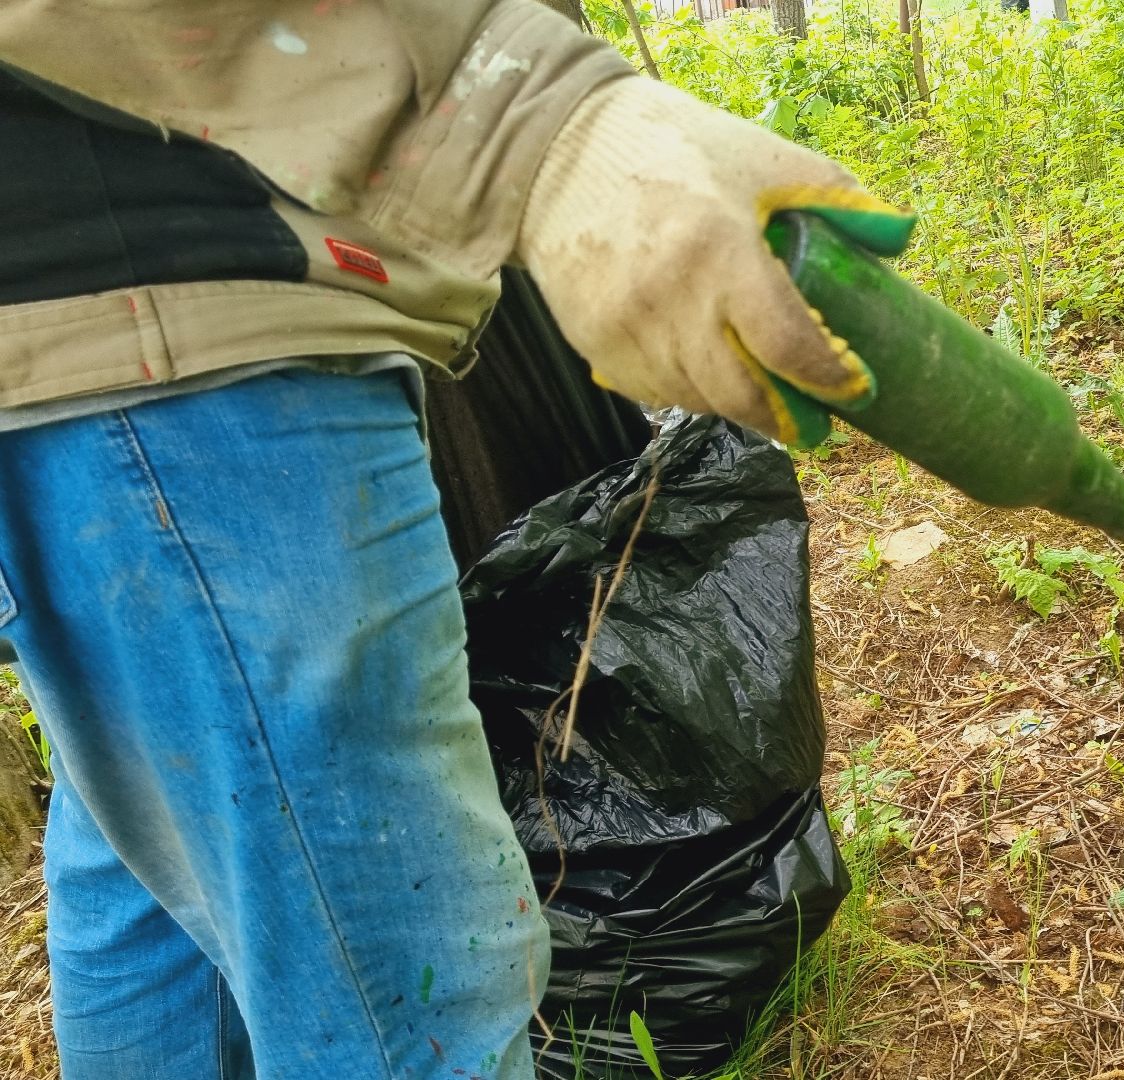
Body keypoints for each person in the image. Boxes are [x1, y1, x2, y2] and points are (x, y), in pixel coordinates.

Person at [0, 2, 893, 1076]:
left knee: (152, 856)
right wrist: (553, 119)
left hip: (78, 336)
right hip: (190, 330)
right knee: (410, 985)